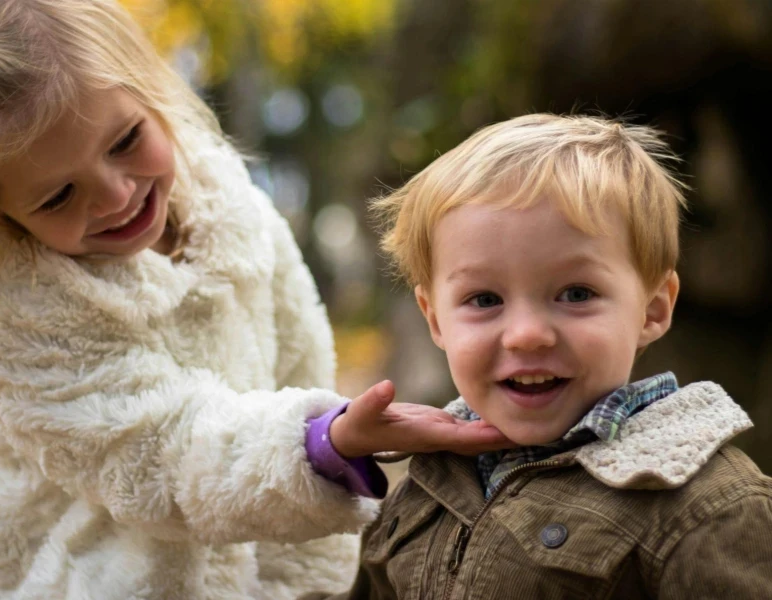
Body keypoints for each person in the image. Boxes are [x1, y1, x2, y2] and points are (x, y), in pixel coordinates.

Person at [0, 1, 512, 598]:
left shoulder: (227, 206)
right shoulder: (9, 314)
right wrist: (321, 445)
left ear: (153, 94)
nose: (116, 194)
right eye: (57, 197)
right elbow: (160, 458)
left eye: (125, 140)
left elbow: (296, 356)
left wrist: (308, 572)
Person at [304, 114, 772, 599]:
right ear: (436, 320)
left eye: (575, 293)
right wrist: (322, 447)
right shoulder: (430, 482)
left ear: (652, 310)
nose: (527, 336)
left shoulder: (709, 507)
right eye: (485, 300)